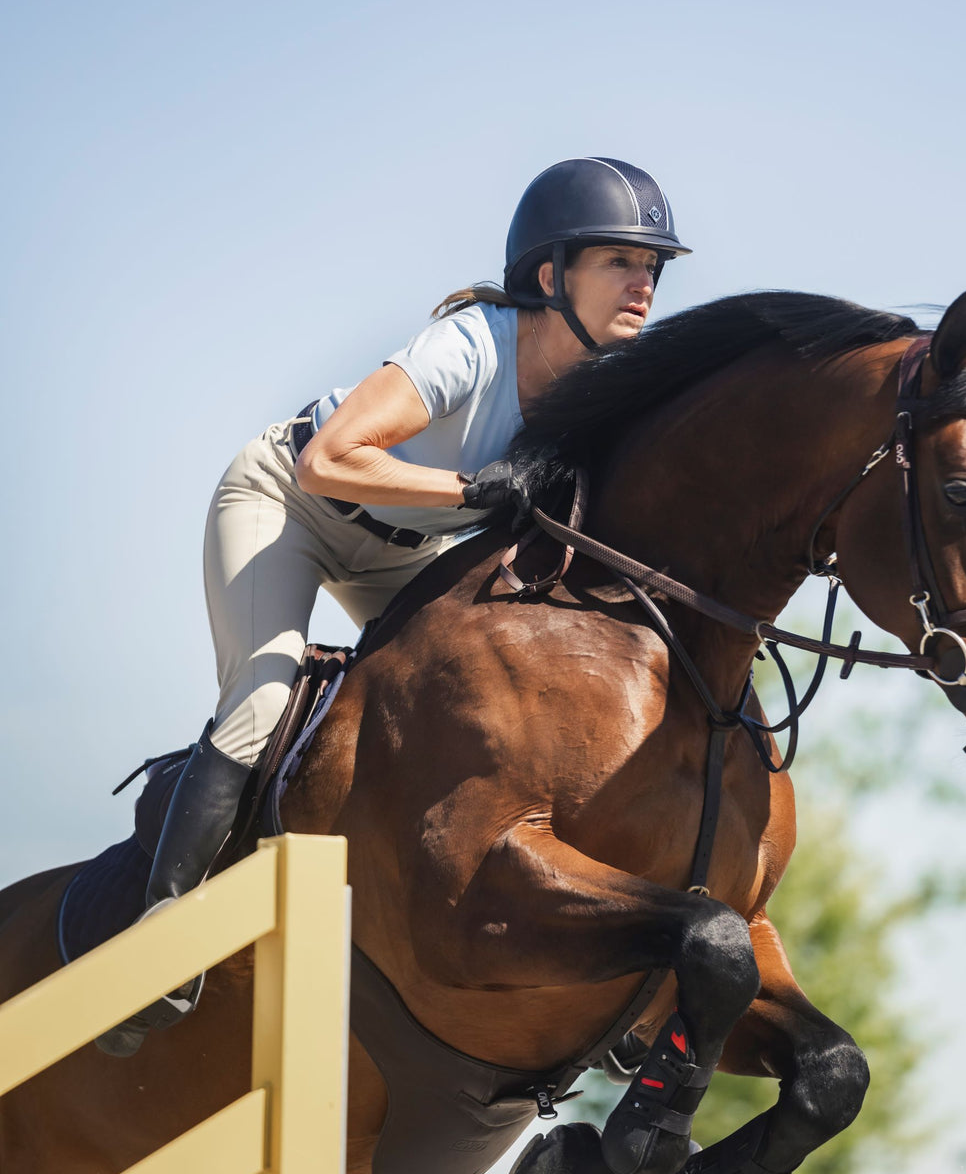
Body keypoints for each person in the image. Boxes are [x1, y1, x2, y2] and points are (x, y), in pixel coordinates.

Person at [104, 157, 690, 1052]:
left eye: (653, 266)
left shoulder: (591, 400)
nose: (645, 282)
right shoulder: (473, 345)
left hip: (400, 547)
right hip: (287, 504)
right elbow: (329, 460)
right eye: (620, 260)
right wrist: (469, 493)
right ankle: (163, 930)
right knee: (264, 701)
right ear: (549, 275)